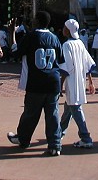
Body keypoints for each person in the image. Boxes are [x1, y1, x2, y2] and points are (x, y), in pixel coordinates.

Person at [7, 11, 65, 157]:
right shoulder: (55, 38)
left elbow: (15, 52)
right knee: (52, 115)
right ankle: (55, 145)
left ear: (38, 21)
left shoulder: (31, 36)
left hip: (36, 82)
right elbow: (61, 60)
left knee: (30, 114)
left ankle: (23, 139)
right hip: (53, 81)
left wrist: (11, 33)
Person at [59, 19, 96, 149]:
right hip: (80, 81)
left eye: (64, 27)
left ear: (68, 30)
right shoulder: (80, 43)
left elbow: (66, 68)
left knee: (75, 108)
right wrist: (90, 82)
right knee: (69, 108)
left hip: (72, 82)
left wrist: (60, 85)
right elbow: (88, 64)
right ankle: (59, 133)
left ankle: (86, 137)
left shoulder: (67, 45)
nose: (62, 29)